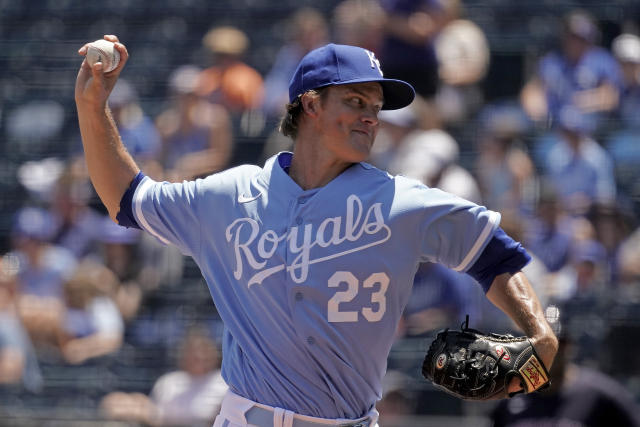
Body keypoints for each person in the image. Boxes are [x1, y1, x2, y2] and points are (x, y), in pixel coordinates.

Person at [75, 36, 558, 427]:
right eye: (355, 100)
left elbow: (493, 255)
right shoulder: (230, 197)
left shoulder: (402, 201)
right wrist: (92, 105)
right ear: (309, 104)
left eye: (376, 104)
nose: (372, 115)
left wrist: (540, 333)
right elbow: (128, 198)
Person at [100, 326, 228, 427]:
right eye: (193, 353)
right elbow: (154, 414)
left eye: (203, 351)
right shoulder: (170, 381)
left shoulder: (223, 381)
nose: (198, 357)